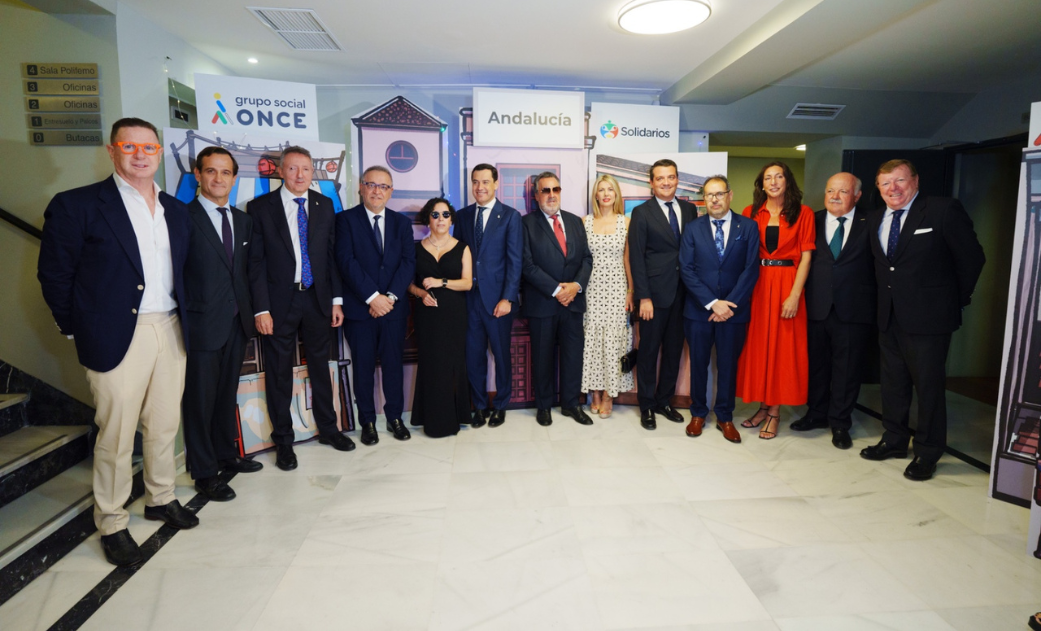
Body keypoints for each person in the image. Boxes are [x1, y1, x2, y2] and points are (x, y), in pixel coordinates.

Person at [38, 117, 198, 567]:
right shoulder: (78, 205)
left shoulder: (175, 208)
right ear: (112, 151)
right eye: (130, 146)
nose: (141, 154)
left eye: (149, 147)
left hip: (169, 327)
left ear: (159, 153)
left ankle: (161, 496)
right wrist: (75, 326)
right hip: (115, 334)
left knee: (165, 423)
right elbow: (54, 274)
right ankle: (111, 520)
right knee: (116, 432)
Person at [861, 159, 984, 481]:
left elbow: (972, 258)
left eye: (900, 181)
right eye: (885, 184)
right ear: (878, 189)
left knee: (928, 388)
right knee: (893, 384)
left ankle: (927, 452)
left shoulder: (942, 210)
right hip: (889, 316)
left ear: (915, 181)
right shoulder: (876, 218)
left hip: (930, 319)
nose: (893, 189)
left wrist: (954, 300)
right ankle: (894, 439)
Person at [248, 146, 350, 471]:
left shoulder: (324, 205)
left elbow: (330, 256)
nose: (300, 175)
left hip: (318, 299)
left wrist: (335, 300)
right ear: (281, 171)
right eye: (293, 169)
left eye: (306, 169)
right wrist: (261, 309)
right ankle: (284, 442)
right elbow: (256, 263)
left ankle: (329, 429)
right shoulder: (260, 208)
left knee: (321, 367)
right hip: (280, 302)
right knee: (279, 373)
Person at [182, 147, 263, 502]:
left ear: (234, 177)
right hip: (201, 323)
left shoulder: (243, 220)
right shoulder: (181, 218)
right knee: (199, 400)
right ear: (197, 175)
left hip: (236, 322)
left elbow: (246, 273)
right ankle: (203, 471)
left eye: (226, 172)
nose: (218, 179)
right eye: (211, 171)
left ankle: (226, 454)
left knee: (225, 393)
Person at [792, 172, 875, 450]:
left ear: (857, 195)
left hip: (854, 310)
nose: (835, 197)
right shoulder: (810, 220)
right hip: (816, 306)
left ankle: (839, 422)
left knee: (847, 369)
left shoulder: (872, 221)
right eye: (830, 191)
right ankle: (816, 414)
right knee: (816, 366)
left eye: (842, 191)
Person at [335, 165, 416, 446]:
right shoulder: (345, 221)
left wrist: (390, 297)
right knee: (363, 367)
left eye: (383, 186)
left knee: (394, 366)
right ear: (361, 187)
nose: (377, 191)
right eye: (371, 184)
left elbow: (408, 263)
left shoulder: (402, 224)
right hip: (360, 310)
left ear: (391, 191)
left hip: (393, 311)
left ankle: (395, 418)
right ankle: (367, 421)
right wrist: (373, 297)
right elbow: (346, 262)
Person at [736, 161, 816, 440]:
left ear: (787, 181)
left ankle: (775, 412)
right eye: (767, 178)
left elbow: (806, 256)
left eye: (778, 176)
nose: (773, 182)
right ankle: (762, 406)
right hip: (758, 284)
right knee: (759, 346)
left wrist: (795, 294)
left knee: (782, 348)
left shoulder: (802, 213)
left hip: (786, 283)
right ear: (761, 184)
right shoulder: (750, 212)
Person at [678, 175, 760, 443]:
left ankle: (725, 416)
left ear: (730, 195)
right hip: (699, 310)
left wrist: (728, 305)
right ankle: (698, 413)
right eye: (709, 195)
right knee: (699, 365)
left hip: (734, 312)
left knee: (727, 366)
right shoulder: (692, 228)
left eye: (719, 193)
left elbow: (750, 269)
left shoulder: (748, 227)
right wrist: (713, 303)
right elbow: (687, 270)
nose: (714, 199)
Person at [520, 172, 594, 427]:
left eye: (556, 189)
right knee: (543, 358)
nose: (552, 195)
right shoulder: (526, 224)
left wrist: (575, 286)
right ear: (536, 195)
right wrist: (556, 290)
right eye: (545, 190)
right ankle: (544, 406)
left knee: (573, 356)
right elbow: (526, 265)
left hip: (573, 302)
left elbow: (586, 258)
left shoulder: (575, 222)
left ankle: (571, 404)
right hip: (543, 303)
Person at [628, 159, 696, 430]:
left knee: (673, 351)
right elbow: (636, 257)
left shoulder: (690, 210)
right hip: (653, 298)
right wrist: (643, 297)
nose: (666, 182)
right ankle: (646, 405)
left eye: (671, 177)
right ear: (651, 182)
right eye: (660, 178)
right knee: (648, 351)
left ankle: (664, 401)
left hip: (685, 294)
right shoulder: (642, 213)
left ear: (677, 179)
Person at [455, 164, 522, 428]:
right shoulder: (462, 216)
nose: (479, 187)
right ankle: (480, 405)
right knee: (474, 356)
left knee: (502, 355)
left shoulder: (510, 216)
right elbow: (458, 256)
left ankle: (502, 404)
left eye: (485, 182)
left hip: (498, 302)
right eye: (475, 182)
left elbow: (514, 261)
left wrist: (507, 298)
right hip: (469, 299)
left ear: (496, 184)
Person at [407, 198, 473, 437]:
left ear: (451, 219)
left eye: (445, 215)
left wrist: (440, 282)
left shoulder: (462, 247)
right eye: (435, 215)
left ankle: (455, 416)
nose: (441, 219)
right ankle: (430, 417)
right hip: (427, 315)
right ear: (428, 219)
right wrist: (422, 293)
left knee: (453, 363)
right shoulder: (415, 248)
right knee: (431, 363)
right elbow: (409, 285)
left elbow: (467, 283)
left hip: (454, 314)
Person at [581, 174, 634, 418]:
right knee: (592, 341)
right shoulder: (585, 222)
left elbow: (628, 260)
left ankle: (610, 395)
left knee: (614, 342)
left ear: (616, 194)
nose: (605, 194)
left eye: (609, 190)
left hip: (616, 289)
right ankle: (594, 391)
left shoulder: (626, 221)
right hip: (592, 289)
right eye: (601, 190)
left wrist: (631, 291)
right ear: (595, 195)